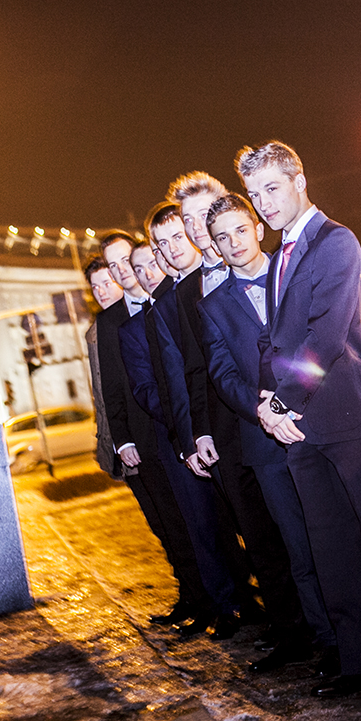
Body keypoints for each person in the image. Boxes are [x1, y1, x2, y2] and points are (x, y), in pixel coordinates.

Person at [237, 139, 361, 698]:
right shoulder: (279, 255)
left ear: (299, 182)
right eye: (255, 194)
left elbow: (325, 335)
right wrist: (266, 401)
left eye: (271, 189)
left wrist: (283, 403)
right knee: (332, 549)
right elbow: (273, 342)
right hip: (297, 426)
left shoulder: (336, 242)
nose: (264, 204)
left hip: (341, 416)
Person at [164, 173, 312, 667]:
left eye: (202, 215)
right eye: (189, 221)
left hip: (282, 413)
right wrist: (199, 431)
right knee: (262, 537)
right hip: (232, 430)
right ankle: (291, 629)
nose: (198, 228)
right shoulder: (188, 292)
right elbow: (195, 368)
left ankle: (325, 626)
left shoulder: (278, 268)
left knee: (304, 529)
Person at [198, 192, 338, 674]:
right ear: (214, 247)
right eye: (222, 238)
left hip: (318, 419)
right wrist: (263, 411)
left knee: (336, 536)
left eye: (241, 230)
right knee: (297, 547)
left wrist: (295, 398)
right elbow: (221, 373)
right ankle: (327, 643)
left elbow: (322, 338)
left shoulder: (295, 271)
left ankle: (360, 632)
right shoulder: (212, 307)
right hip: (264, 439)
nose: (234, 242)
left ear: (258, 228)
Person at [119, 238, 241, 638]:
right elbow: (145, 389)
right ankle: (224, 606)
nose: (146, 273)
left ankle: (249, 597)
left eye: (150, 263)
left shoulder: (190, 299)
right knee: (201, 527)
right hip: (176, 437)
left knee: (235, 519)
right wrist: (182, 418)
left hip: (215, 426)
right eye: (137, 269)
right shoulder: (135, 328)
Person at [94, 232, 211, 629]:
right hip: (146, 440)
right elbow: (111, 386)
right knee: (170, 525)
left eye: (125, 260)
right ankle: (195, 597)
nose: (122, 270)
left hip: (186, 429)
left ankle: (228, 597)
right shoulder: (110, 321)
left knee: (208, 519)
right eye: (112, 265)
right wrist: (122, 438)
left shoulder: (170, 296)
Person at [84, 257, 127, 480]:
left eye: (106, 283)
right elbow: (101, 394)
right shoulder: (95, 333)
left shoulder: (138, 317)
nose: (100, 292)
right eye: (95, 287)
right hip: (118, 444)